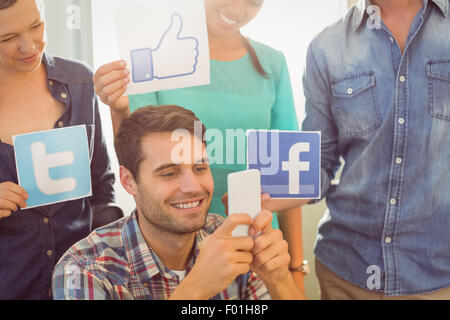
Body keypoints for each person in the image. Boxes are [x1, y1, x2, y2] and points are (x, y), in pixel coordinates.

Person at [93, 0, 307, 293]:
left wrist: (295, 267)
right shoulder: (159, 51)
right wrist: (118, 109)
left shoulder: (273, 63)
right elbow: (135, 151)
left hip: (250, 242)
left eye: (253, 2)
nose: (237, 10)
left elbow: (287, 181)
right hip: (173, 238)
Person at [52, 105, 304, 300]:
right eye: (169, 173)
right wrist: (196, 289)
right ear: (129, 181)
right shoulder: (83, 271)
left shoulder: (232, 240)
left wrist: (279, 279)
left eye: (199, 167)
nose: (193, 187)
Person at [296, 0, 450, 299]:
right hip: (346, 271)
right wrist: (280, 190)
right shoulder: (325, 47)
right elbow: (320, 162)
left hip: (439, 275)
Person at [0, 0, 120, 300]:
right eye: (7, 38)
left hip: (83, 284)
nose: (29, 47)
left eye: (36, 26)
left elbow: (101, 186)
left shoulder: (80, 82)